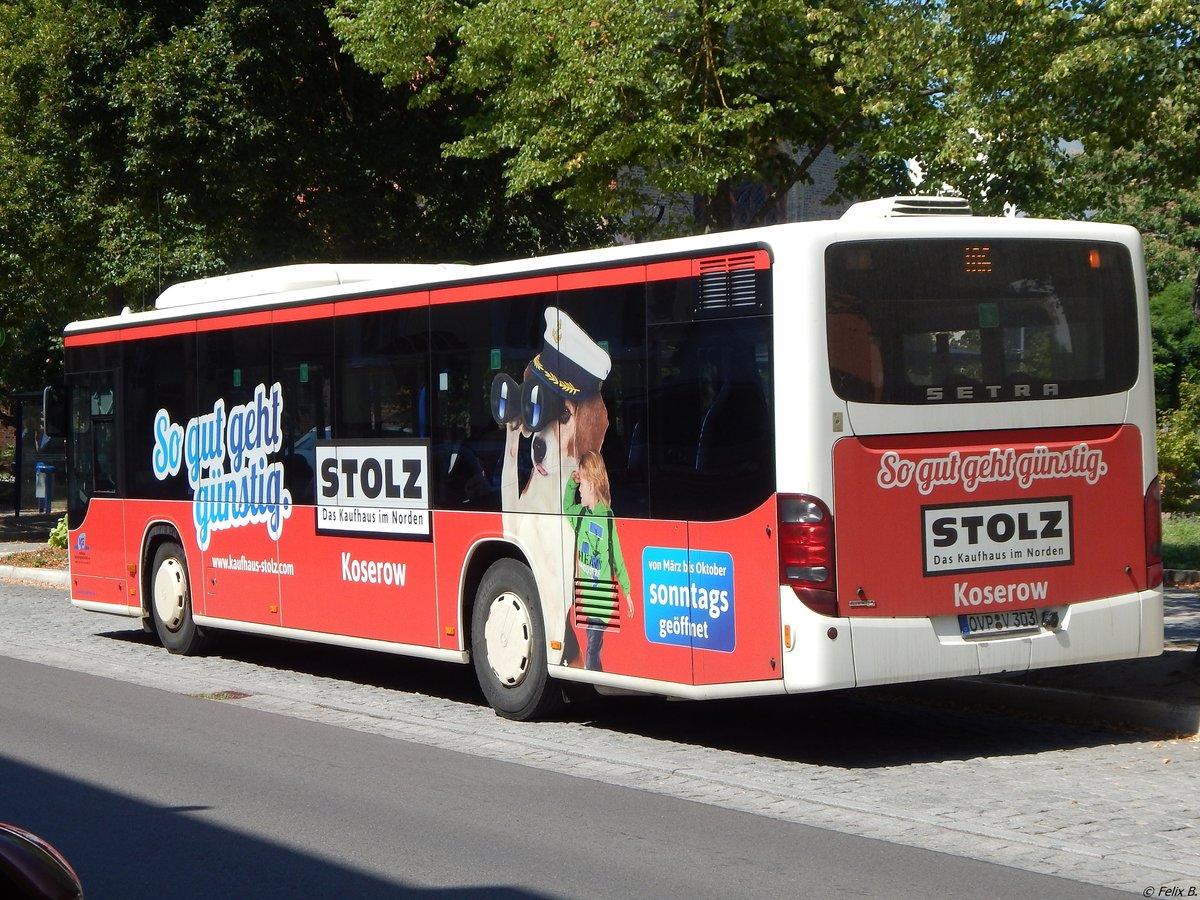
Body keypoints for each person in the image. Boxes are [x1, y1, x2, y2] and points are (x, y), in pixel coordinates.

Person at [563, 450, 635, 671]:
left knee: (592, 650)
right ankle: (597, 678)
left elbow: (617, 559)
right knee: (592, 647)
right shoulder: (582, 516)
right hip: (588, 598)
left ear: (592, 485)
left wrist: (627, 592)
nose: (580, 490)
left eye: (582, 484)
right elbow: (566, 508)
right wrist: (572, 484)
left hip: (602, 600)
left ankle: (594, 682)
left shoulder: (607, 518)